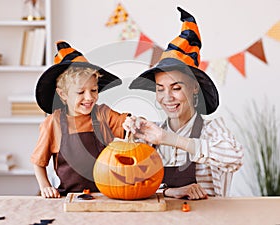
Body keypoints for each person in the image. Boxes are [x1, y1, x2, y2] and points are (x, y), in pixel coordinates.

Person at [124, 7, 244, 200]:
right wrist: (129, 136)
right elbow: (130, 183)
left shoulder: (212, 130)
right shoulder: (151, 135)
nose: (167, 97)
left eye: (176, 88)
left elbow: (235, 158)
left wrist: (168, 139)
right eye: (160, 89)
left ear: (194, 88)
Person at [31, 41, 129, 198]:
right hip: (69, 196)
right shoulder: (53, 123)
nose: (89, 97)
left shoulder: (102, 114)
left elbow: (128, 125)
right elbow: (38, 162)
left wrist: (134, 123)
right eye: (80, 92)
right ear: (63, 94)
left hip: (106, 195)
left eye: (94, 90)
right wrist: (45, 186)